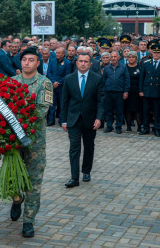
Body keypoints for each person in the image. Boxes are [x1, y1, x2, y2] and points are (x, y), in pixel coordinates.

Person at [12, 47, 53, 237]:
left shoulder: (44, 83)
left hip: (34, 141)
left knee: (34, 181)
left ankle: (28, 221)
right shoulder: (12, 82)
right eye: (24, 60)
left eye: (31, 60)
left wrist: (16, 120)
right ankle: (16, 198)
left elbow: (40, 111)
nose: (26, 63)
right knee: (13, 177)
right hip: (12, 141)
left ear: (38, 63)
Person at [61, 53, 104, 187]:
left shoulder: (97, 79)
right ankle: (74, 178)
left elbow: (101, 100)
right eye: (81, 61)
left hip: (90, 119)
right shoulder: (69, 79)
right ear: (77, 63)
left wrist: (99, 118)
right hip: (73, 119)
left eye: (86, 61)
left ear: (90, 64)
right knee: (74, 148)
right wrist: (64, 120)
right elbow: (64, 102)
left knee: (89, 146)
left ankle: (86, 171)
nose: (83, 63)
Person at [139, 44, 160, 137]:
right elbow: (142, 78)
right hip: (147, 90)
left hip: (158, 91)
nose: (156, 55)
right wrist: (141, 90)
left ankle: (157, 128)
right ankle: (146, 128)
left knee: (157, 112)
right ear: (151, 53)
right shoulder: (146, 63)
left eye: (158, 53)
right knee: (146, 111)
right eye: (154, 53)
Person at [102, 51, 130, 134]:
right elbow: (103, 80)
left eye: (115, 56)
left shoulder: (123, 67)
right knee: (108, 111)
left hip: (119, 92)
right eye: (112, 57)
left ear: (118, 57)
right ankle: (109, 126)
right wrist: (104, 90)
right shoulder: (106, 68)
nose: (113, 58)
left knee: (119, 111)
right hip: (108, 92)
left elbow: (127, 80)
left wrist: (126, 91)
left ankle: (118, 127)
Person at [47, 47, 71, 126]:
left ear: (63, 54)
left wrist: (59, 83)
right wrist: (53, 82)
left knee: (61, 105)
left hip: (62, 87)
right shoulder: (52, 60)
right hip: (53, 87)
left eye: (59, 53)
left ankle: (61, 120)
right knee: (52, 105)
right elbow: (49, 72)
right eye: (56, 52)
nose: (57, 54)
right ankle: (51, 120)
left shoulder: (67, 62)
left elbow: (67, 75)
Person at [125, 51, 142, 133]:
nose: (131, 59)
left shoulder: (140, 67)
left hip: (137, 91)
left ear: (136, 58)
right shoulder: (124, 67)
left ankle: (139, 127)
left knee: (137, 110)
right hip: (127, 91)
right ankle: (128, 127)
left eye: (133, 57)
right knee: (127, 109)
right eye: (129, 57)